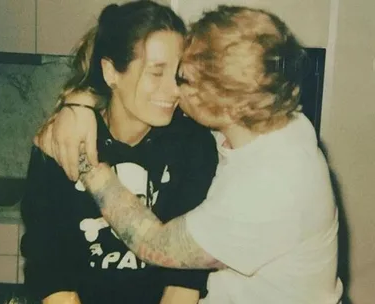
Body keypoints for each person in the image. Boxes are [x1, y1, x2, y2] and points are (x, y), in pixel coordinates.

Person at [35, 5, 344, 304]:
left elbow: (155, 244)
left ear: (223, 101)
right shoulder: (275, 119)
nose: (175, 90)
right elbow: (46, 255)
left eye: (184, 77)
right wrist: (78, 103)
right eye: (163, 73)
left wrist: (85, 161)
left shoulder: (269, 183)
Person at [20, 2, 219, 304]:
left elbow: (185, 277)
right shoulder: (63, 141)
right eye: (156, 73)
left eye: (177, 73)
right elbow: (49, 267)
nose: (174, 90)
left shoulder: (193, 146)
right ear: (111, 71)